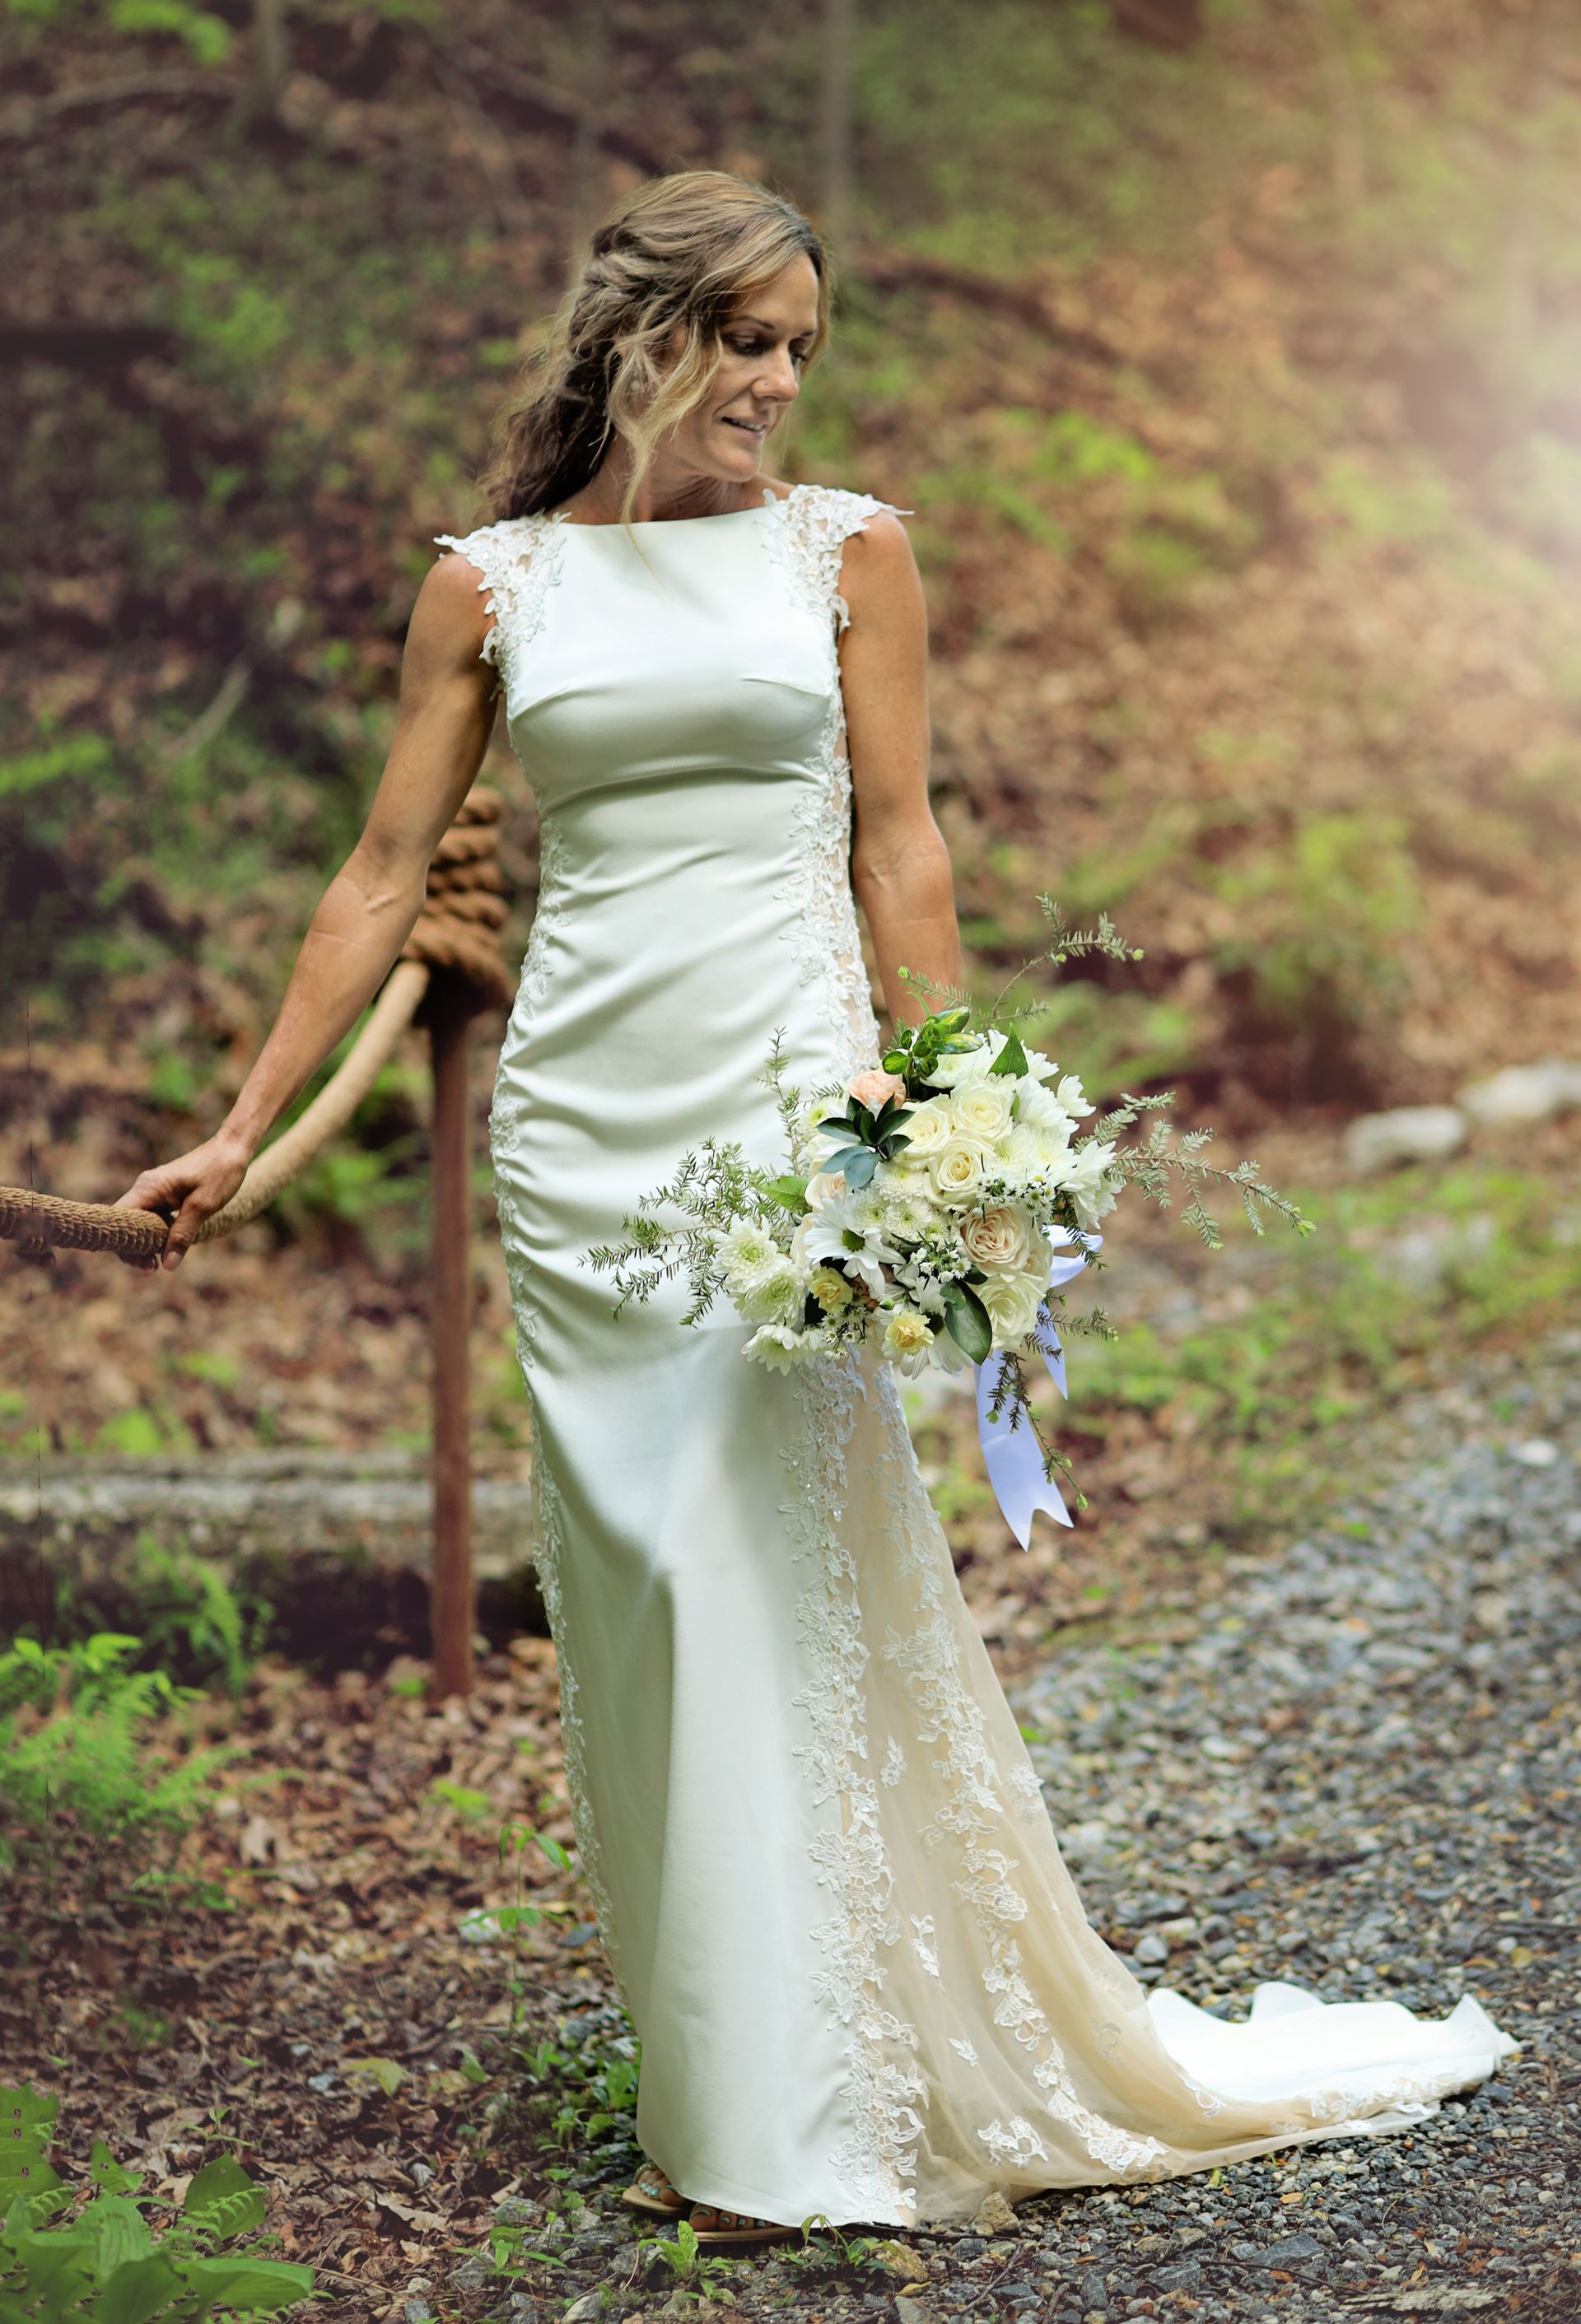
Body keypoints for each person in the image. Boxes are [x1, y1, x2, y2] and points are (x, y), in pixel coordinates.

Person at [119, 170, 1514, 2245]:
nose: (776, 382)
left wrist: (949, 1123)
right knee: (655, 1596)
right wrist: (241, 1127)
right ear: (642, 339)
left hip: (788, 1137)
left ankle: (806, 2109)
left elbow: (903, 847)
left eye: (801, 349)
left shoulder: (848, 555)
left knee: (778, 1571)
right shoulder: (491, 588)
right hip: (587, 1145)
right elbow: (379, 872)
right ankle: (728, 2082)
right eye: (747, 339)